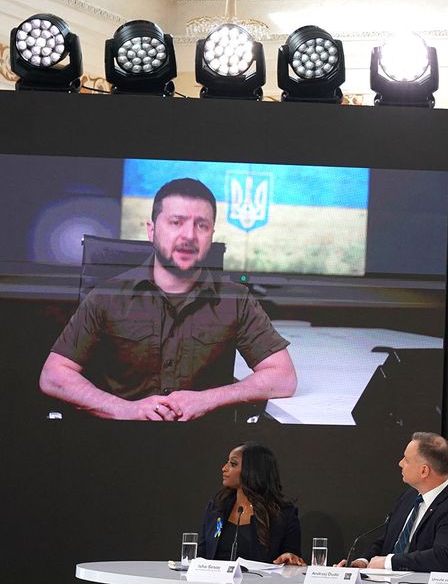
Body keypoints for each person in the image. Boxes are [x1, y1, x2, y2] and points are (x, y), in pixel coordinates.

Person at [38, 178, 297, 421]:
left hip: (205, 446)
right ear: (151, 231)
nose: (189, 236)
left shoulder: (235, 299)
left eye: (201, 225)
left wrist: (207, 399)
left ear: (211, 235)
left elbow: (283, 376)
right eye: (176, 222)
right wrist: (125, 410)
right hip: (120, 442)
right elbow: (54, 375)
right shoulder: (107, 296)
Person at [342, 432, 448, 572]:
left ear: (424, 471)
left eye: (406, 460)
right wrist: (363, 561)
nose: (400, 463)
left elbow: (443, 557)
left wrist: (390, 562)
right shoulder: (410, 496)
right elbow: (386, 540)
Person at [200, 441, 304, 565]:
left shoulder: (284, 514)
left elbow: (292, 559)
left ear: (252, 470)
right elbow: (202, 554)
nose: (224, 468)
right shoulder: (216, 507)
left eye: (233, 464)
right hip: (214, 582)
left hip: (261, 583)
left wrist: (289, 558)